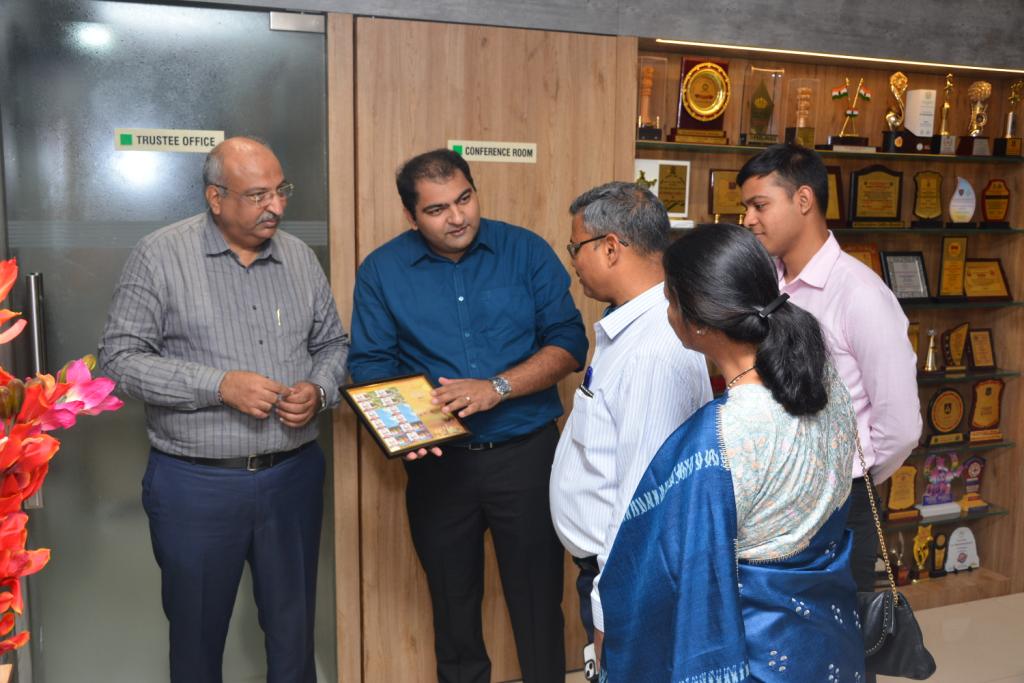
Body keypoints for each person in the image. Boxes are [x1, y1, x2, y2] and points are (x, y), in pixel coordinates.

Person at [99, 137, 349, 683]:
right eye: (258, 195)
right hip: (197, 485)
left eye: (281, 190)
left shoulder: (299, 257)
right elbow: (118, 361)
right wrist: (219, 386)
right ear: (216, 198)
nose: (276, 206)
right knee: (197, 636)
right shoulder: (160, 255)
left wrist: (319, 389)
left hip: (292, 478)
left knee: (293, 633)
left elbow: (334, 344)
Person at [347, 149, 588, 683]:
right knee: (452, 606)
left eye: (464, 199)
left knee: (538, 603)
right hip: (440, 464)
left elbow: (570, 342)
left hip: (526, 457)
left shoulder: (524, 250)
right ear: (412, 215)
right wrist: (408, 430)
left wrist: (497, 388)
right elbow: (370, 365)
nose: (457, 217)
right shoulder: (383, 270)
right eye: (437, 210)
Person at [598, 223, 865, 681]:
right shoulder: (824, 381)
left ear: (699, 321)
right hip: (829, 635)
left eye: (670, 300)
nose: (667, 313)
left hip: (756, 650)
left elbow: (666, 568)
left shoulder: (721, 434)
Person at [737, 143, 921, 593]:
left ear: (803, 200)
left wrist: (853, 478)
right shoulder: (766, 284)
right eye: (745, 207)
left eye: (760, 205)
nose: (748, 220)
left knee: (841, 630)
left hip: (840, 501)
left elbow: (900, 427)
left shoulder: (860, 294)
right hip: (772, 494)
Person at [548, 182, 711, 663]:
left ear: (611, 247)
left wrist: (608, 612)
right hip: (608, 572)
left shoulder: (655, 348)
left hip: (624, 580)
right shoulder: (629, 325)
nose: (573, 262)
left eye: (575, 248)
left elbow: (643, 504)